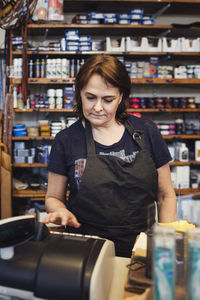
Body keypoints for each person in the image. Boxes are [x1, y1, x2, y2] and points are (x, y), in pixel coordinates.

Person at [43, 54, 177, 257]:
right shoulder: (66, 139)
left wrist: (166, 243)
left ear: (121, 96)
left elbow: (165, 195)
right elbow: (53, 197)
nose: (97, 107)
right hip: (85, 249)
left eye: (107, 100)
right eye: (90, 97)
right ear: (79, 93)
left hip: (140, 248)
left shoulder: (147, 132)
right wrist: (60, 210)